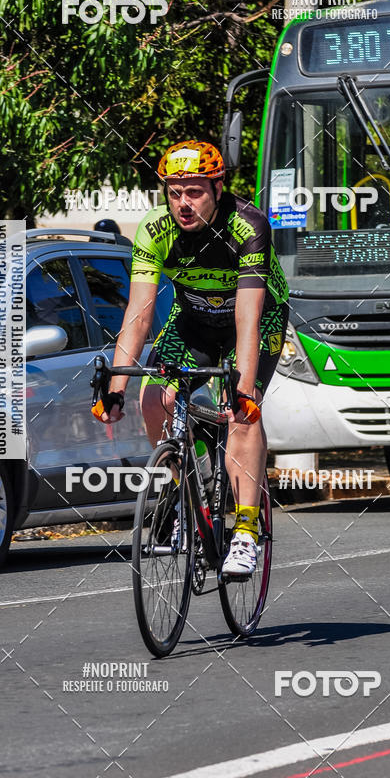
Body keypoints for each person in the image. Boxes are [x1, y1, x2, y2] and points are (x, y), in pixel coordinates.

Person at [99, 140, 289, 575]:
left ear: (218, 189)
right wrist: (115, 388)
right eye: (174, 192)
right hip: (196, 318)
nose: (183, 203)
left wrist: (242, 388)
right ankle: (190, 493)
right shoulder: (154, 229)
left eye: (195, 191)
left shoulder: (248, 225)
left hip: (257, 317)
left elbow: (247, 316)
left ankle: (245, 531)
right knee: (153, 401)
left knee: (243, 412)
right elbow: (139, 313)